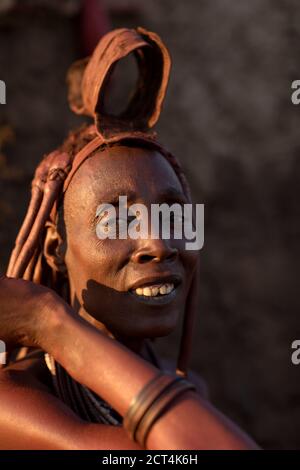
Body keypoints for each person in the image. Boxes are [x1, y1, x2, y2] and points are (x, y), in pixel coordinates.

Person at [0, 27, 258, 450]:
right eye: (115, 220)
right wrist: (45, 322)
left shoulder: (189, 388)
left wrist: (50, 324)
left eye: (172, 214)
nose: (158, 244)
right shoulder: (16, 401)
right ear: (56, 250)